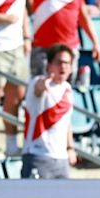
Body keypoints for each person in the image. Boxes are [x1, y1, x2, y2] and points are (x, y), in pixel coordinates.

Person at [21, 44, 77, 179]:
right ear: (49, 65)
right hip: (37, 155)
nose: (63, 67)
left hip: (61, 159)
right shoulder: (36, 81)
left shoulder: (68, 90)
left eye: (67, 63)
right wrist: (44, 83)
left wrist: (70, 148)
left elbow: (66, 123)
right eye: (59, 63)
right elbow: (38, 88)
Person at [27, 0, 100, 81]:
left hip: (70, 48)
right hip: (44, 47)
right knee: (40, 90)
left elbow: (82, 13)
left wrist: (95, 42)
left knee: (65, 91)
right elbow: (28, 0)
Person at [0, 0, 30, 156]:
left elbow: (21, 8)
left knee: (16, 96)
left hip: (16, 47)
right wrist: (1, 18)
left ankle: (11, 144)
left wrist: (26, 36)